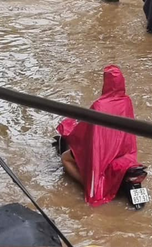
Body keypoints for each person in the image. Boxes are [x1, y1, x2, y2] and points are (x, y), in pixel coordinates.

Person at [56, 66, 139, 206]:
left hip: (104, 151)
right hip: (123, 150)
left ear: (106, 83)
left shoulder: (99, 105)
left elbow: (85, 130)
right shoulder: (127, 101)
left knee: (66, 158)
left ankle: (88, 184)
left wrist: (70, 130)